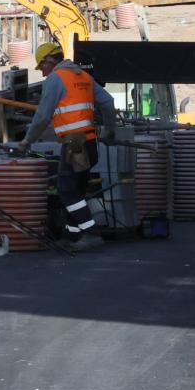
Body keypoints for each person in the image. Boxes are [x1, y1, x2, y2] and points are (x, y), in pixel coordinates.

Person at [23, 41, 115, 248]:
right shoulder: (84, 76)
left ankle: (91, 233)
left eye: (42, 67)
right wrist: (110, 131)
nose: (43, 73)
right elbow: (108, 103)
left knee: (66, 190)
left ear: (49, 60)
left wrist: (27, 141)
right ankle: (74, 234)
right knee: (78, 190)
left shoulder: (56, 79)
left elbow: (42, 116)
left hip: (75, 145)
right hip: (90, 144)